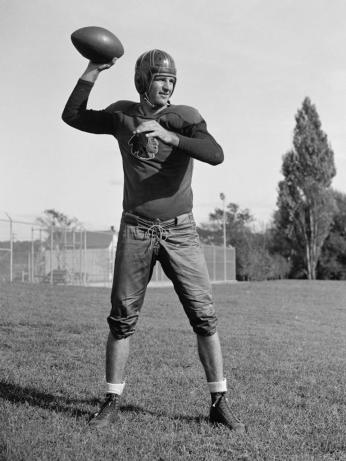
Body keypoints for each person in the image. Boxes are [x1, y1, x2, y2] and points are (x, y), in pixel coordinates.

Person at [62, 49, 245, 433]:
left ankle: (218, 402)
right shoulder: (123, 114)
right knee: (121, 319)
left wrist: (169, 136)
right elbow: (73, 115)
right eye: (162, 78)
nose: (169, 85)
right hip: (135, 228)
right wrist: (93, 69)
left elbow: (216, 154)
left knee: (205, 316)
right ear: (144, 79)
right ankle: (111, 400)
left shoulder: (185, 117)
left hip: (180, 230)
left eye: (173, 80)